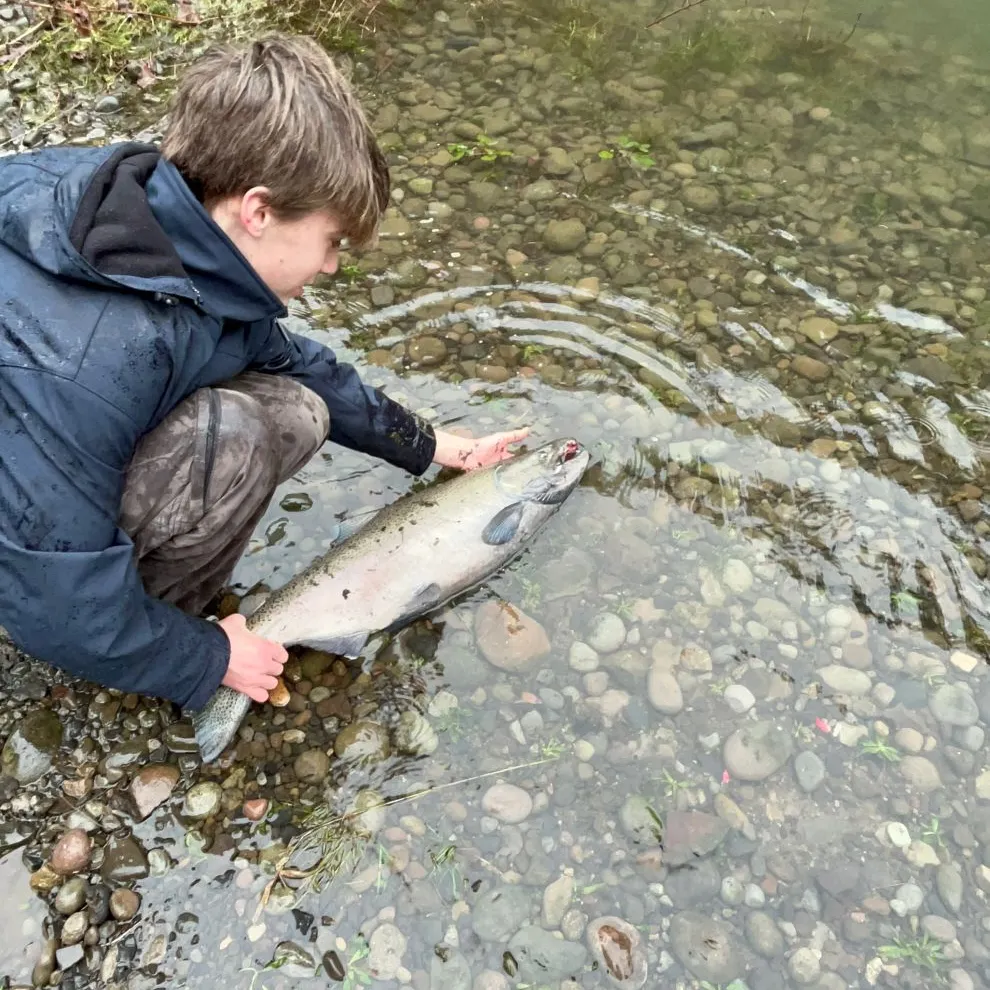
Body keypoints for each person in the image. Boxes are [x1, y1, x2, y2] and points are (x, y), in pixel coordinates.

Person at [0, 35, 528, 715]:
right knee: (239, 434)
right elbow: (54, 605)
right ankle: (155, 624)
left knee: (298, 408)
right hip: (31, 538)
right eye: (332, 241)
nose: (334, 265)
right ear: (257, 210)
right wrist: (208, 657)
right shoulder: (84, 362)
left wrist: (432, 445)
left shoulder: (163, 224)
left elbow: (290, 360)